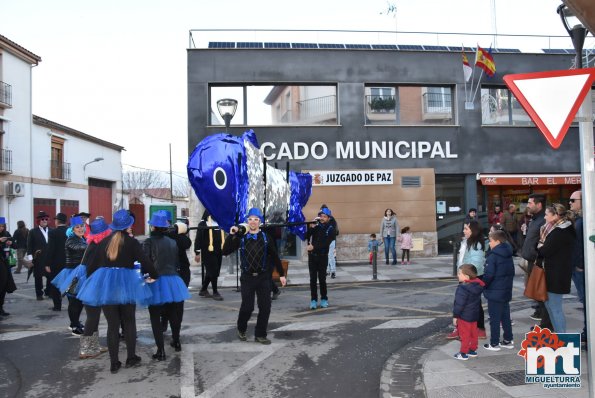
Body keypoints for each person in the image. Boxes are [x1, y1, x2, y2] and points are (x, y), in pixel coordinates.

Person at [77, 209, 158, 374]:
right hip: (127, 285)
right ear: (128, 225)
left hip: (107, 286)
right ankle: (131, 358)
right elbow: (145, 262)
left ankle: (114, 363)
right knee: (129, 322)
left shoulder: (103, 242)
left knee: (112, 326)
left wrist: (95, 284)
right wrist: (153, 275)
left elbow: (92, 267)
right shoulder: (131, 242)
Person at [222, 208, 286, 344]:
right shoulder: (241, 237)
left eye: (256, 219)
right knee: (247, 307)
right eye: (250, 219)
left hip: (263, 277)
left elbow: (275, 256)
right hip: (247, 278)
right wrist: (232, 234)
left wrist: (281, 274)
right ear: (247, 221)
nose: (253, 222)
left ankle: (260, 334)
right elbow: (225, 251)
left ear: (260, 222)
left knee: (265, 307)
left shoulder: (266, 238)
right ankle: (241, 328)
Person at [143, 212, 190, 360]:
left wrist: (145, 277)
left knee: (155, 316)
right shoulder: (172, 242)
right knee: (173, 314)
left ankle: (160, 351)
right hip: (173, 280)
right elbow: (176, 262)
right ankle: (176, 341)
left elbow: (146, 263)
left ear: (153, 226)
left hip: (156, 280)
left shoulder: (148, 242)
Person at [537, 204, 576, 333]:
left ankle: (562, 338)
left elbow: (544, 251)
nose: (544, 217)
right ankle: (559, 336)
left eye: (547, 214)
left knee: (555, 308)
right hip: (554, 273)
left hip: (557, 275)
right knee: (550, 306)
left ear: (555, 216)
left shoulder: (560, 231)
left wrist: (539, 247)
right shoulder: (557, 229)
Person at [77, 218, 112, 359]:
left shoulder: (93, 245)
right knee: (92, 317)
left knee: (95, 316)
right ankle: (85, 349)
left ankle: (94, 345)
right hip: (93, 285)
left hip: (92, 285)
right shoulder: (97, 247)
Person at [447, 220, 486, 340]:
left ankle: (478, 329)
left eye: (466, 229)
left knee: (470, 304)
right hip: (465, 276)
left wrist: (466, 275)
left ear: (473, 230)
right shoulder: (467, 241)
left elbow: (477, 263)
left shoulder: (476, 244)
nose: (464, 231)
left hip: (471, 277)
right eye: (464, 228)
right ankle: (462, 328)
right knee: (466, 303)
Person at [520, 194, 552, 329]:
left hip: (538, 262)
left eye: (530, 203)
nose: (528, 205)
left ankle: (546, 326)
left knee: (542, 294)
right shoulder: (534, 219)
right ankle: (544, 323)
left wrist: (536, 255)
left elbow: (544, 242)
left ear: (539, 205)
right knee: (537, 294)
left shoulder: (543, 221)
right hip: (531, 261)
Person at [52, 215, 87, 334]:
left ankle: (76, 322)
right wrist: (93, 245)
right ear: (72, 229)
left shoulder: (83, 238)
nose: (80, 228)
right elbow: (78, 248)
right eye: (77, 227)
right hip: (72, 273)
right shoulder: (71, 240)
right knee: (73, 301)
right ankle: (73, 325)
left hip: (81, 273)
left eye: (82, 226)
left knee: (80, 300)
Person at [482, 230, 515, 351]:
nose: (489, 244)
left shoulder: (494, 256)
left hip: (495, 292)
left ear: (497, 241)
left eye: (490, 241)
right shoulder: (507, 253)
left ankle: (494, 343)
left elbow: (489, 275)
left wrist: (482, 285)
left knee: (494, 319)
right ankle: (508, 340)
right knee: (505, 316)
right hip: (505, 291)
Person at [452, 264, 485, 360]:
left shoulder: (462, 288)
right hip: (474, 315)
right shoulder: (477, 285)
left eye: (459, 273)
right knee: (473, 333)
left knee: (464, 335)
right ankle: (472, 350)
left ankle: (463, 353)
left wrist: (455, 316)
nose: (457, 275)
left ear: (466, 276)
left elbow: (459, 304)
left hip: (464, 316)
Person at [306, 207, 335, 309]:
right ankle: (313, 300)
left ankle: (324, 299)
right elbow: (306, 236)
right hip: (312, 257)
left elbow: (325, 244)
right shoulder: (316, 227)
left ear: (328, 218)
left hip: (323, 257)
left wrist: (313, 247)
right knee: (312, 280)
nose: (322, 218)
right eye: (321, 216)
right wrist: (311, 227)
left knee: (322, 279)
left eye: (324, 217)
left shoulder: (331, 229)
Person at [194, 209, 225, 300]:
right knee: (213, 271)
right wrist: (197, 253)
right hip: (207, 252)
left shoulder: (219, 223)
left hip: (218, 251)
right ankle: (215, 292)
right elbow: (198, 239)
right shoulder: (203, 224)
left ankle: (203, 290)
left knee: (212, 271)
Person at [569, 190, 586, 342]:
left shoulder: (583, 220)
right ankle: (587, 331)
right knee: (584, 300)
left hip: (580, 267)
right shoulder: (579, 219)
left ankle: (588, 332)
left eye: (573, 200)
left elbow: (581, 244)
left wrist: (580, 265)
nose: (570, 203)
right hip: (576, 266)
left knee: (586, 300)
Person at [45, 213, 69, 313]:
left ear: (57, 221)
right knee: (69, 283)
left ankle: (57, 306)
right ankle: (73, 304)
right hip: (69, 262)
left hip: (56, 263)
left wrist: (47, 263)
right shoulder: (70, 231)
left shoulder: (53, 233)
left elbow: (50, 249)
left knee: (55, 284)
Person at [26, 211, 51, 300]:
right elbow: (29, 245)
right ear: (38, 221)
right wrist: (30, 259)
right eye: (42, 219)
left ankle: (48, 291)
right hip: (38, 258)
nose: (44, 221)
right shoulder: (33, 231)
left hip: (49, 257)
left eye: (46, 219)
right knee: (38, 277)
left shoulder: (51, 230)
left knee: (50, 276)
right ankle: (39, 293)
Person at [0, 217, 15, 317]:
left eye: (2, 226)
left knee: (4, 286)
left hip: (5, 262)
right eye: (0, 226)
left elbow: (15, 245)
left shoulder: (6, 234)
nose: (1, 228)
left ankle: (1, 308)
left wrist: (11, 243)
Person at [321, 204, 339, 279]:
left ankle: (333, 271)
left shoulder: (332, 220)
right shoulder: (321, 220)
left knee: (331, 256)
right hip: (325, 241)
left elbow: (334, 231)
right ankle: (327, 271)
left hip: (331, 241)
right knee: (325, 256)